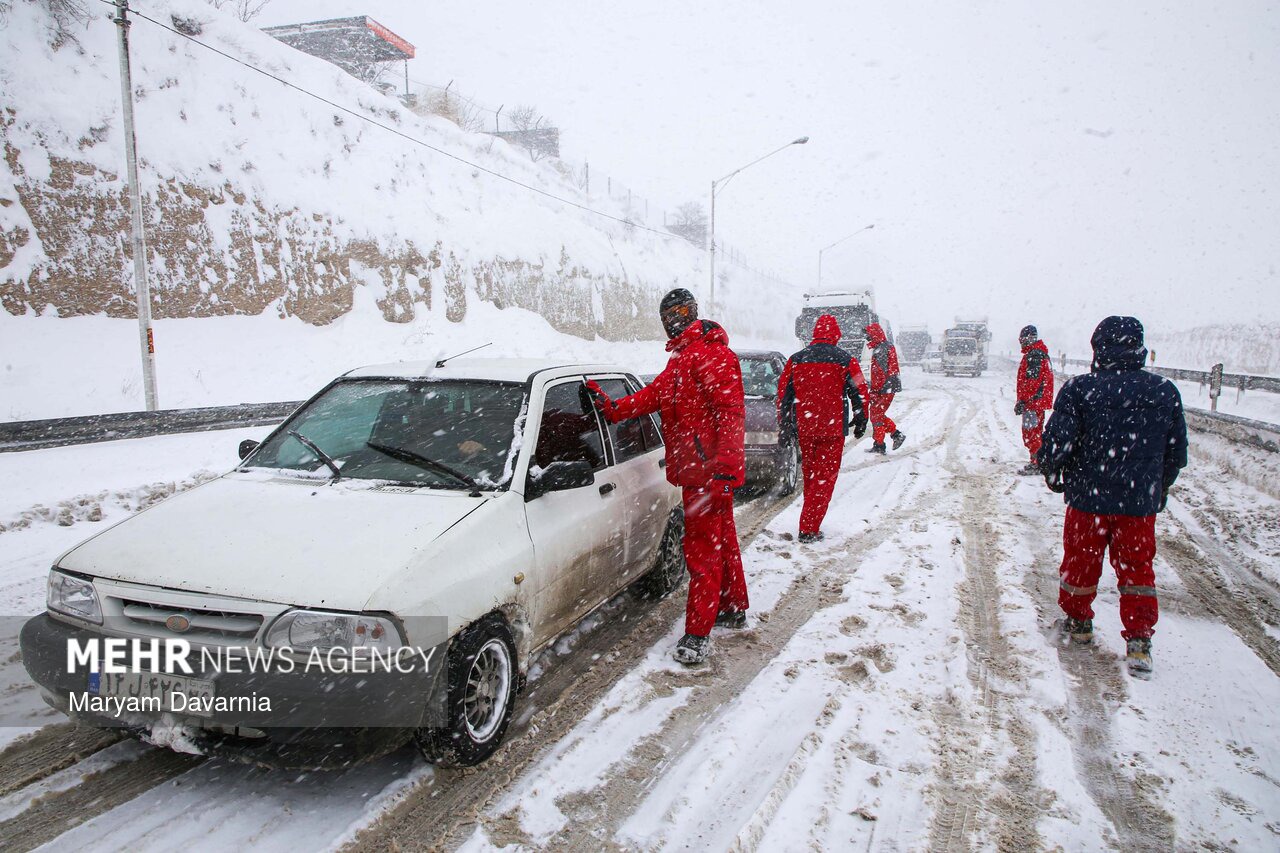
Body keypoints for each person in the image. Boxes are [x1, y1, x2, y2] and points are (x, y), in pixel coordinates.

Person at [586, 288, 747, 665]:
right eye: (670, 313)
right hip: (701, 473)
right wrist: (612, 409)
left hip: (709, 475)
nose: (676, 318)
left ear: (694, 312)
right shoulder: (681, 360)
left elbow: (731, 415)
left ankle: (697, 635)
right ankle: (732, 607)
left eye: (682, 311)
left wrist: (725, 470)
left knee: (703, 553)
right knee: (721, 543)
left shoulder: (714, 356)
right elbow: (652, 396)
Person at [1037, 316, 1187, 676]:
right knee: (1137, 568)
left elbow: (1057, 444)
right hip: (1138, 504)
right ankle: (1138, 641)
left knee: (1081, 563)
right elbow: (1176, 453)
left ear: (1097, 348)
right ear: (1140, 349)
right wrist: (1156, 488)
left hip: (1088, 498)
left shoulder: (1080, 390)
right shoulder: (1164, 391)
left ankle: (1078, 623)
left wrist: (1053, 470)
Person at [776, 314, 869, 542]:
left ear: (815, 333)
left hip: (806, 429)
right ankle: (808, 528)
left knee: (810, 476)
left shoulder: (796, 359)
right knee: (825, 479)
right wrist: (861, 419)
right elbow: (859, 391)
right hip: (831, 429)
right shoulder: (845, 360)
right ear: (836, 335)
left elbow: (784, 395)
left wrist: (785, 425)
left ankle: (810, 520)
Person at [1014, 325, 1054, 475]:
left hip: (1033, 403)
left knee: (1031, 432)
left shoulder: (1034, 355)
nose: (1021, 343)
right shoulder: (1038, 353)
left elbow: (1032, 382)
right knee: (1034, 431)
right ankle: (1037, 460)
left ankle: (1037, 462)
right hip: (1036, 402)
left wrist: (1023, 401)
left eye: (1023, 339)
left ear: (1030, 338)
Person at [863, 322, 906, 453]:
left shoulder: (881, 349)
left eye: (869, 336)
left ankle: (884, 442)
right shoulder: (884, 347)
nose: (867, 339)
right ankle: (889, 438)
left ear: (874, 334)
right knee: (877, 414)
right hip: (888, 386)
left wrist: (874, 390)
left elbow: (881, 373)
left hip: (885, 388)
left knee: (876, 414)